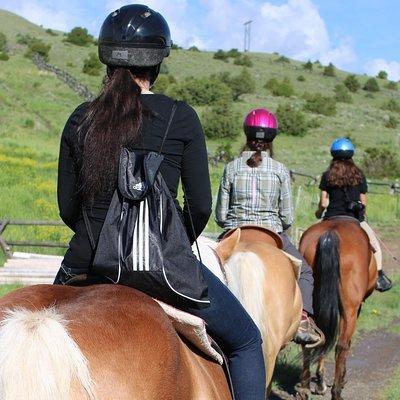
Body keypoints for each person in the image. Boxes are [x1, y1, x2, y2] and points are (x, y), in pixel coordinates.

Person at [53, 5, 265, 399]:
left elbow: (68, 206)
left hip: (84, 263)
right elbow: (201, 205)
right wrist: (169, 240)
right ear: (157, 62)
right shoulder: (180, 118)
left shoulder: (79, 118)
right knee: (247, 342)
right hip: (161, 268)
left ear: (106, 58)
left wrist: (99, 237)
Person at [215, 108, 323, 346]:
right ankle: (304, 319)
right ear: (272, 138)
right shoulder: (280, 170)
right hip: (271, 234)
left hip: (234, 233)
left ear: (246, 134)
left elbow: (221, 215)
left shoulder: (231, 168)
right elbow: (287, 217)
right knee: (305, 272)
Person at [315, 138, 392, 292]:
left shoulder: (327, 175)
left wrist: (318, 213)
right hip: (354, 218)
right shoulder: (359, 175)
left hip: (331, 216)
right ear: (351, 155)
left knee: (309, 240)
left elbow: (324, 203)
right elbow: (363, 201)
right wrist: (362, 214)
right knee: (375, 246)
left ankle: (305, 275)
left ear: (333, 155)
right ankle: (379, 277)